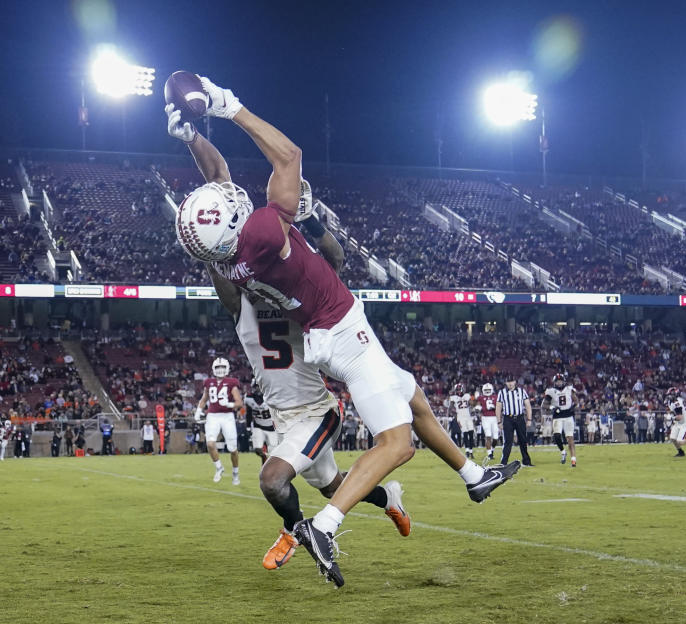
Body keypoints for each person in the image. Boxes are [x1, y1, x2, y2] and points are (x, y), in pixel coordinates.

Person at [169, 77, 518, 586]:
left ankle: (473, 475)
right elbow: (289, 157)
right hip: (340, 329)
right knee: (397, 444)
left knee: (410, 395)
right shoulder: (264, 232)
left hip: (324, 333)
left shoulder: (232, 264)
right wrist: (227, 106)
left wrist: (189, 136)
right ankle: (326, 526)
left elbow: (220, 180)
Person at [205, 268, 410, 571]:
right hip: (286, 420)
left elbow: (335, 261)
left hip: (317, 413)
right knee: (333, 488)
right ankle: (388, 498)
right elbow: (224, 278)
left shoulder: (296, 303)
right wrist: (209, 252)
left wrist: (311, 223)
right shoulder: (241, 307)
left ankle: (292, 531)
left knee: (272, 480)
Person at [195, 357, 244, 484]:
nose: (220, 370)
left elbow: (239, 402)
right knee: (210, 444)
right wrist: (198, 411)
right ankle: (219, 467)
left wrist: (229, 404)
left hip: (227, 416)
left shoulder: (231, 382)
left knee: (232, 449)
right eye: (218, 367)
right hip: (212, 415)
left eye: (222, 367)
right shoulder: (208, 382)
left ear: (227, 368)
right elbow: (204, 398)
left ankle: (235, 472)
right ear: (213, 369)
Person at [496, 376, 533, 467]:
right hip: (508, 418)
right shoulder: (502, 392)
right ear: (505, 383)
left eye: (511, 381)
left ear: (515, 381)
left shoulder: (521, 391)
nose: (510, 383)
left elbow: (527, 405)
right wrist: (499, 421)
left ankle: (526, 461)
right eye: (508, 381)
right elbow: (498, 407)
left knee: (523, 440)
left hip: (520, 418)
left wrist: (529, 419)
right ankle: (503, 463)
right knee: (508, 441)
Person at [543, 373, 578, 467]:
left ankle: (573, 459)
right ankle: (563, 451)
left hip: (568, 415)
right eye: (557, 381)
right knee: (557, 436)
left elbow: (576, 401)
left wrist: (573, 407)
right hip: (557, 416)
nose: (559, 383)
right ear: (554, 382)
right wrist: (552, 407)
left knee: (570, 438)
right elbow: (544, 405)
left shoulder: (569, 389)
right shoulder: (551, 391)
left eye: (560, 381)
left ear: (564, 381)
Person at [245, 385, 277, 464]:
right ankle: (263, 456)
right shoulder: (249, 398)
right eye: (256, 387)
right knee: (257, 448)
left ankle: (268, 467)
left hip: (272, 428)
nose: (257, 389)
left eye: (259, 386)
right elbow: (248, 413)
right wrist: (248, 427)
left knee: (274, 452)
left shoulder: (271, 397)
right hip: (258, 426)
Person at [665, 387, 686, 457]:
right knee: (673, 438)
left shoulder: (677, 403)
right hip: (679, 422)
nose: (669, 397)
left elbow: (680, 417)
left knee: (680, 441)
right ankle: (681, 452)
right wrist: (671, 414)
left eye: (670, 395)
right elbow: (673, 411)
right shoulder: (674, 401)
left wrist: (671, 418)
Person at [447, 383, 475, 459]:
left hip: (468, 416)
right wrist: (456, 415)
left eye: (459, 389)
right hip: (461, 417)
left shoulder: (467, 396)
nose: (458, 391)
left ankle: (471, 451)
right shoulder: (453, 397)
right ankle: (467, 451)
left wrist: (469, 400)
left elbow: (472, 404)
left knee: (471, 433)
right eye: (457, 390)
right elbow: (450, 408)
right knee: (465, 434)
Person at [476, 383, 499, 463]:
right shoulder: (481, 397)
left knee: (496, 438)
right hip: (485, 418)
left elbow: (500, 408)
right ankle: (489, 454)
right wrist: (478, 408)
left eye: (489, 390)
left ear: (492, 390)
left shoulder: (495, 397)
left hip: (495, 418)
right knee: (488, 436)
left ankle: (492, 450)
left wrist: (494, 407)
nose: (487, 391)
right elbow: (478, 406)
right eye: (486, 390)